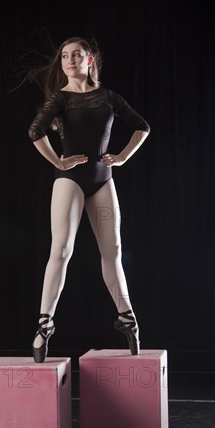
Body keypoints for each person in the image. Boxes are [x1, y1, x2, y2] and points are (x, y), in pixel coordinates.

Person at [25, 36, 150, 363]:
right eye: (65, 55)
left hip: (102, 181)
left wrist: (122, 156)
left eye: (76, 54)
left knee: (114, 252)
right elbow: (35, 131)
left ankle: (127, 317)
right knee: (62, 249)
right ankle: (44, 324)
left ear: (89, 60)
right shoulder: (60, 99)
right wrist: (58, 162)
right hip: (70, 181)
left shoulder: (108, 96)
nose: (69, 60)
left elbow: (142, 127)